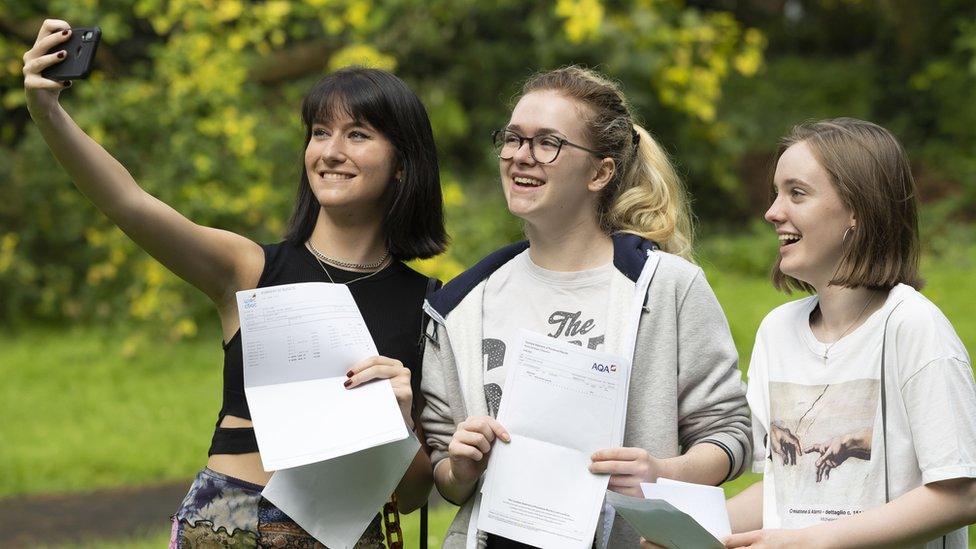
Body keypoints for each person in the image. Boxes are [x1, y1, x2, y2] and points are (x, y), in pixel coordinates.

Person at [23, 19, 447, 547]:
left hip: (346, 535)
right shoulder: (249, 270)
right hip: (228, 526)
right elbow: (127, 202)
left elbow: (408, 499)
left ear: (403, 164)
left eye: (357, 135)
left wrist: (398, 424)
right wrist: (48, 113)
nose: (330, 151)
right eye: (319, 132)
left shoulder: (428, 304)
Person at [420, 66, 751, 547]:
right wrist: (461, 465)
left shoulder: (665, 287)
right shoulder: (461, 307)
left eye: (547, 143)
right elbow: (446, 476)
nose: (521, 157)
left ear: (600, 171)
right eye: (513, 139)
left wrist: (660, 473)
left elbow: (730, 433)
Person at [724, 118, 976, 548]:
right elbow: (785, 486)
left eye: (796, 193)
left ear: (858, 210)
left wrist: (815, 541)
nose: (772, 212)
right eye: (776, 193)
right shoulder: (776, 332)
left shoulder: (913, 327)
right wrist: (686, 529)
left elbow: (962, 494)